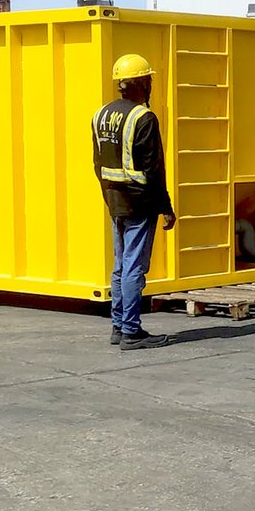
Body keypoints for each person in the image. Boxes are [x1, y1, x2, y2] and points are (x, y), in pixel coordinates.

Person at [92, 54, 176, 349]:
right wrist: (165, 207)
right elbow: (154, 169)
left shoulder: (101, 114)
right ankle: (131, 331)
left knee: (120, 265)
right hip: (140, 203)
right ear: (141, 83)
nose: (151, 84)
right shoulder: (143, 118)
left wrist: (110, 198)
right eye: (148, 79)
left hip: (115, 201)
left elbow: (97, 164)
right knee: (134, 267)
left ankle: (118, 327)